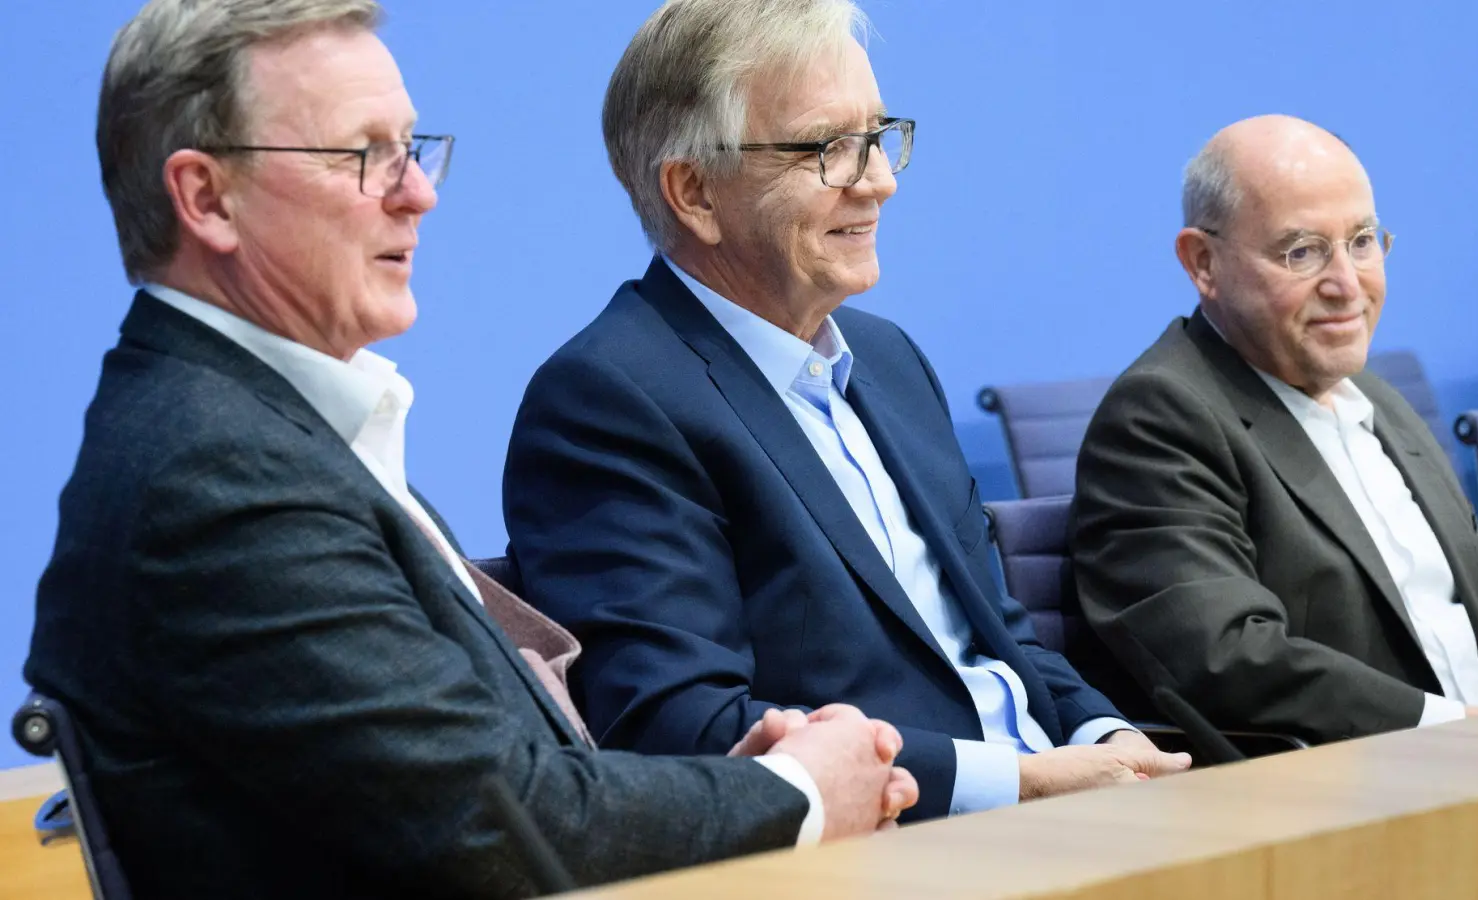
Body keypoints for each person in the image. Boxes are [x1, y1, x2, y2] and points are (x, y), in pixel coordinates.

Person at [25, 2, 915, 897]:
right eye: (364, 155)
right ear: (207, 197)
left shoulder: (264, 434)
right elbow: (499, 827)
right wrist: (798, 791)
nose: (419, 191)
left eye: (412, 147)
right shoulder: (214, 478)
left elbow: (489, 779)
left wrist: (733, 781)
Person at [502, 0, 1189, 825]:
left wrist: (1107, 736)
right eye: (828, 148)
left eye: (877, 137)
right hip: (893, 846)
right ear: (694, 192)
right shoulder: (607, 401)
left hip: (1061, 812)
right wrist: (1021, 782)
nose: (880, 181)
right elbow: (684, 729)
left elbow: (1002, 637)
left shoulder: (888, 359)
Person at [1069, 114, 1478, 744]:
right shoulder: (1160, 416)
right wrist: (1463, 730)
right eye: (1302, 251)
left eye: (1362, 241)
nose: (1347, 285)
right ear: (1203, 262)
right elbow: (1231, 657)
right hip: (1361, 785)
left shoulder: (1370, 396)